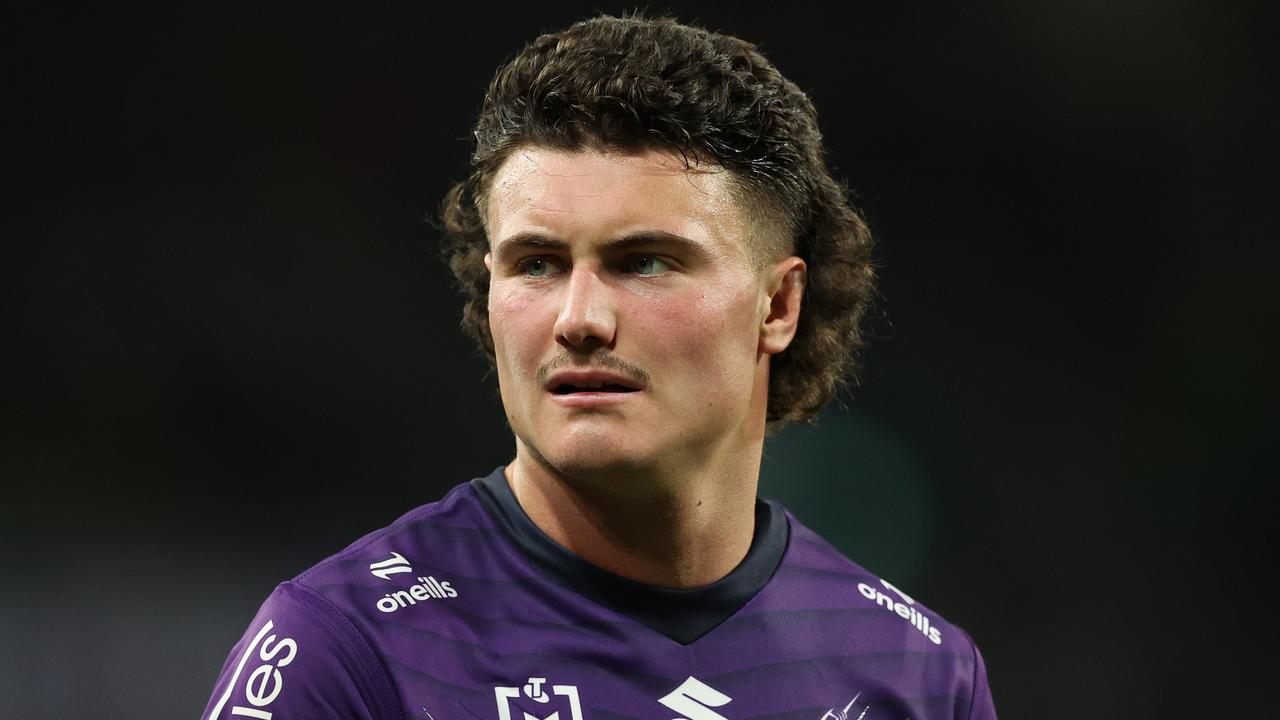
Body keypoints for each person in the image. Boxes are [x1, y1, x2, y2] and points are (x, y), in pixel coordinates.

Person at [202, 14, 997, 720]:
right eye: (537, 264)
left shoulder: (918, 677)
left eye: (644, 262)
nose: (579, 318)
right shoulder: (351, 652)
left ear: (778, 306)